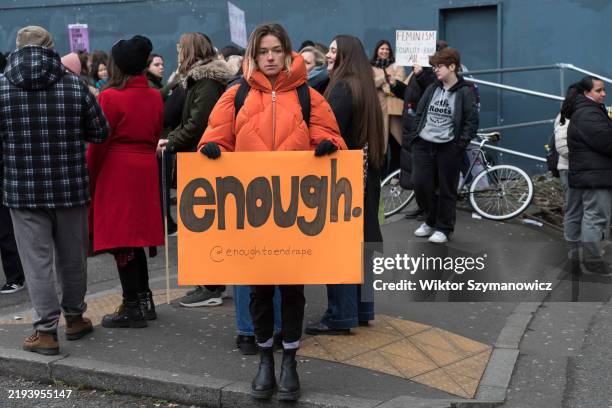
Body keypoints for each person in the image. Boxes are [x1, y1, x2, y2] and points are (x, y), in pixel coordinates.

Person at [197, 22, 346, 401]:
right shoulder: (236, 95)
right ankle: (265, 358)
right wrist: (214, 151)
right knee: (260, 291)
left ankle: (290, 361)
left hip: (294, 213)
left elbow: (331, 136)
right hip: (254, 213)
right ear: (253, 54)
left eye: (276, 50)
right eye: (263, 51)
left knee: (293, 290)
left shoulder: (310, 97)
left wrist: (329, 145)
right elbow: (214, 137)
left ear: (286, 52)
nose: (269, 57)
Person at [0, 26, 108, 354]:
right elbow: (100, 132)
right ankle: (75, 318)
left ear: (17, 48)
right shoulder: (74, 85)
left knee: (36, 262)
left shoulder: (2, 88)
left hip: (22, 190)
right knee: (72, 257)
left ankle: (45, 331)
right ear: (51, 47)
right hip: (70, 187)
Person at [305, 35, 384, 335]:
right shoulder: (365, 87)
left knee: (339, 249)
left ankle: (340, 314)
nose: (328, 55)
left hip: (344, 179)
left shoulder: (340, 87)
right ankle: (363, 309)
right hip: (367, 177)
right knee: (361, 245)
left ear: (346, 56)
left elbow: (329, 131)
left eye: (334, 51)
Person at [87, 35, 164, 328]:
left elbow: (98, 144)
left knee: (122, 242)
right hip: (144, 167)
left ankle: (132, 305)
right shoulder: (154, 95)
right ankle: (144, 300)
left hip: (117, 170)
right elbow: (157, 132)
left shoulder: (110, 96)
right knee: (136, 240)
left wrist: (90, 176)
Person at [157, 32, 235, 307]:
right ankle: (208, 283)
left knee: (204, 225)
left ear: (189, 52)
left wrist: (173, 140)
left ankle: (211, 286)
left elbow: (198, 123)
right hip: (198, 159)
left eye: (181, 49)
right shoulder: (198, 80)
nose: (177, 52)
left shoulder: (206, 82)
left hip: (203, 161)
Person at [408, 47, 479, 243]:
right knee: (421, 184)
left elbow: (471, 122)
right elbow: (420, 113)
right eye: (434, 66)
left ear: (452, 67)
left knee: (446, 189)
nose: (435, 70)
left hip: (448, 147)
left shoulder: (465, 92)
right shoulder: (432, 88)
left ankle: (444, 227)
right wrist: (416, 137)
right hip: (424, 144)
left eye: (439, 66)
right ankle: (430, 220)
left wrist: (459, 145)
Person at [390, 40, 448, 220]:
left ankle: (432, 210)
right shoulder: (421, 71)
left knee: (426, 173)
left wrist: (421, 75)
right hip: (411, 125)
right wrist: (396, 86)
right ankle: (423, 207)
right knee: (417, 172)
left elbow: (432, 92)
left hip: (421, 127)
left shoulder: (432, 74)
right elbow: (411, 94)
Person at [566, 76, 612, 276]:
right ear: (586, 93)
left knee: (582, 216)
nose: (603, 94)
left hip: (590, 173)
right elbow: (606, 142)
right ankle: (593, 262)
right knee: (595, 217)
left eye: (604, 90)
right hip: (595, 175)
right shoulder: (588, 113)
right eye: (598, 91)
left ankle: (577, 259)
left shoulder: (588, 111)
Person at [371, 40, 405, 175]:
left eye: (387, 49)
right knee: (380, 143)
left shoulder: (397, 65)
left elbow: (400, 80)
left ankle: (395, 173)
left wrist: (384, 82)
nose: (384, 51)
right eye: (382, 49)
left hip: (395, 109)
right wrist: (385, 78)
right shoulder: (370, 66)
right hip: (379, 110)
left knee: (397, 142)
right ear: (377, 50)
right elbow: (370, 82)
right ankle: (381, 174)